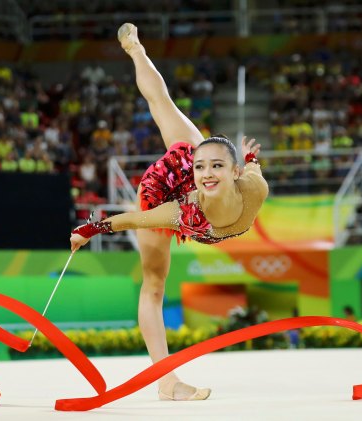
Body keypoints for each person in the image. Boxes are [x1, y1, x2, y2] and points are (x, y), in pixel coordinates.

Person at [70, 23, 269, 402]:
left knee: (175, 118)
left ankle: (211, 152)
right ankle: (167, 382)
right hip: (162, 188)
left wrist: (250, 156)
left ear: (235, 172)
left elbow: (253, 167)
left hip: (212, 163)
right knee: (155, 284)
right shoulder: (181, 211)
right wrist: (88, 230)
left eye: (216, 167)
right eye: (203, 167)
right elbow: (130, 219)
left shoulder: (254, 188)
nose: (207, 174)